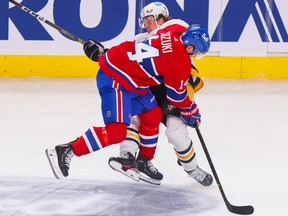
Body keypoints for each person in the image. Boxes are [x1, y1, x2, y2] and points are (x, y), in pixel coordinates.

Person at [45, 14, 210, 185]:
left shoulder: (175, 29)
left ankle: (143, 161)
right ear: (190, 48)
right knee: (116, 132)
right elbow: (177, 96)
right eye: (196, 52)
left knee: (153, 115)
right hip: (115, 79)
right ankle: (67, 150)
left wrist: (108, 52)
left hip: (134, 80)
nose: (195, 56)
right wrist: (191, 111)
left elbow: (142, 44)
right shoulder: (179, 63)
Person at [108, 2, 213, 186]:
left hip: (173, 95)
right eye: (144, 21)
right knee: (134, 119)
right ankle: (127, 157)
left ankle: (191, 167)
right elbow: (125, 57)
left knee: (176, 133)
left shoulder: (176, 30)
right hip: (149, 91)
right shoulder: (141, 39)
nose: (146, 24)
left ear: (161, 19)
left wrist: (189, 108)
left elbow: (186, 82)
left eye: (150, 20)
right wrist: (106, 53)